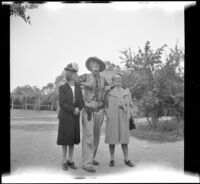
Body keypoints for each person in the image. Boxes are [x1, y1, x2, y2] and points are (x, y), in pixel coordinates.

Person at [80, 56, 109, 173]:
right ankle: (87, 163)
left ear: (100, 68)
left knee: (96, 136)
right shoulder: (85, 77)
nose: (95, 67)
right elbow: (75, 83)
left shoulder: (104, 78)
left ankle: (91, 158)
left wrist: (106, 107)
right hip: (88, 109)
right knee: (88, 136)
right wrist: (86, 85)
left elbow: (107, 92)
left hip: (100, 109)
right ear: (90, 67)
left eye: (97, 65)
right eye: (93, 65)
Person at [104, 72, 136, 167]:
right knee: (112, 138)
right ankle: (112, 159)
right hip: (112, 117)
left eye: (119, 78)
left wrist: (128, 110)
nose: (117, 80)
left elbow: (131, 104)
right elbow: (105, 105)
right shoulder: (108, 92)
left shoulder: (127, 91)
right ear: (113, 81)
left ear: (121, 80)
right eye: (116, 78)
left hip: (123, 117)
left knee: (124, 138)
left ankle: (126, 159)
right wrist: (108, 113)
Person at [57, 63, 85, 171]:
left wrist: (79, 109)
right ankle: (64, 160)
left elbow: (81, 102)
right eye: (73, 72)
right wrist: (73, 109)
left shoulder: (78, 87)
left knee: (72, 139)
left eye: (76, 72)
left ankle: (71, 159)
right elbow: (62, 103)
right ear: (69, 73)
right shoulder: (62, 87)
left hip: (75, 116)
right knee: (65, 139)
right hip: (65, 115)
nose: (75, 74)